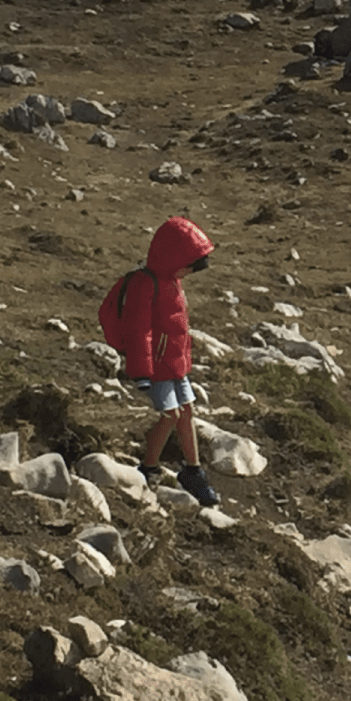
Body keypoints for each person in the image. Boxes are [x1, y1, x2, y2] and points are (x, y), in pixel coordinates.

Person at [120, 215, 221, 508]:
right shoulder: (146, 283)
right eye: (187, 267)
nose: (188, 273)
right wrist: (141, 371)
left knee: (186, 412)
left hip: (176, 366)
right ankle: (148, 466)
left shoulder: (172, 281)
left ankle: (193, 470)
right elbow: (140, 330)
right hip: (158, 367)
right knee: (171, 415)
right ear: (173, 259)